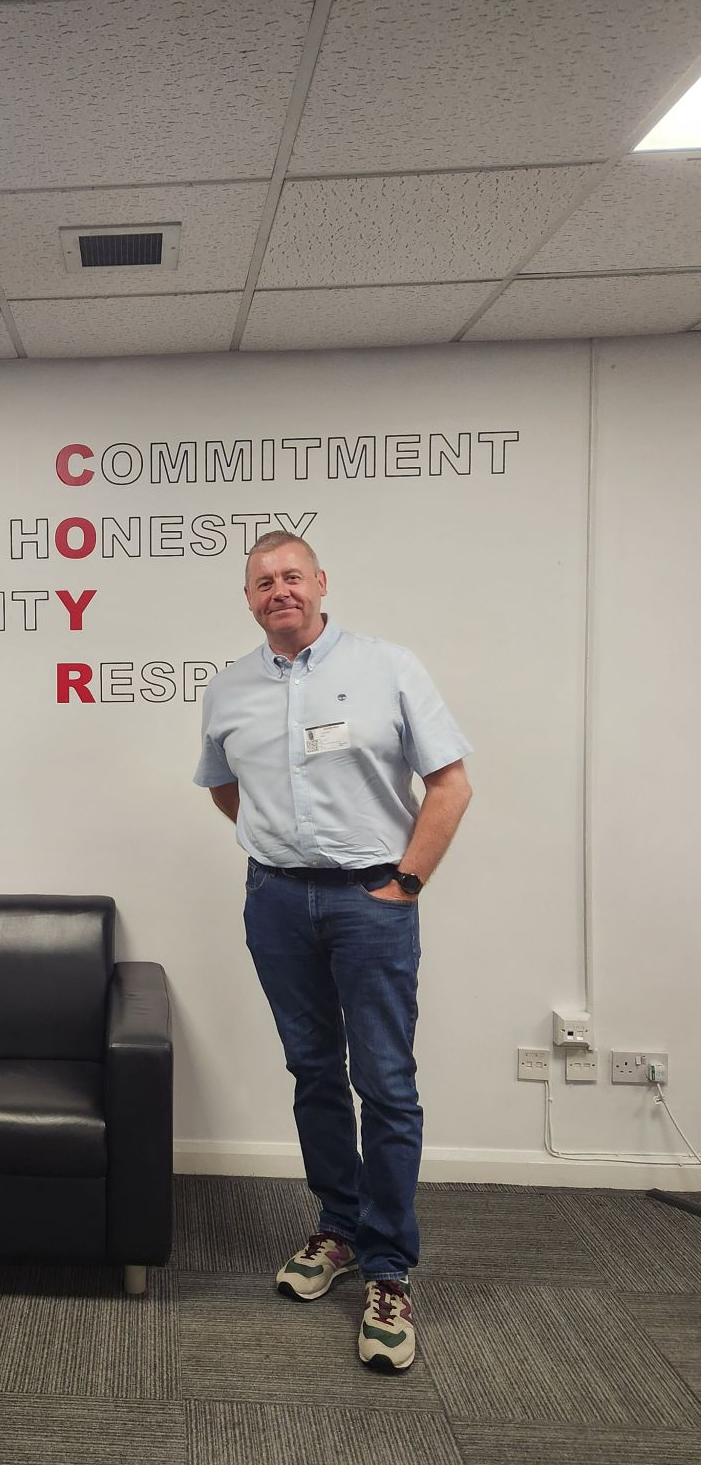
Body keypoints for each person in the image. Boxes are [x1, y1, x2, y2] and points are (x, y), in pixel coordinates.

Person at [194, 532, 472, 1374]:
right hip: (277, 899)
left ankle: (389, 1268)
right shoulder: (231, 687)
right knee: (313, 1069)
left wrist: (406, 883)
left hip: (370, 900)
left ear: (320, 584)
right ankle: (339, 1228)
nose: (278, 590)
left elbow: (451, 782)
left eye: (290, 576)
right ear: (248, 600)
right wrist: (274, 847)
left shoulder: (389, 666)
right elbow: (222, 784)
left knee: (385, 1082)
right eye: (261, 582)